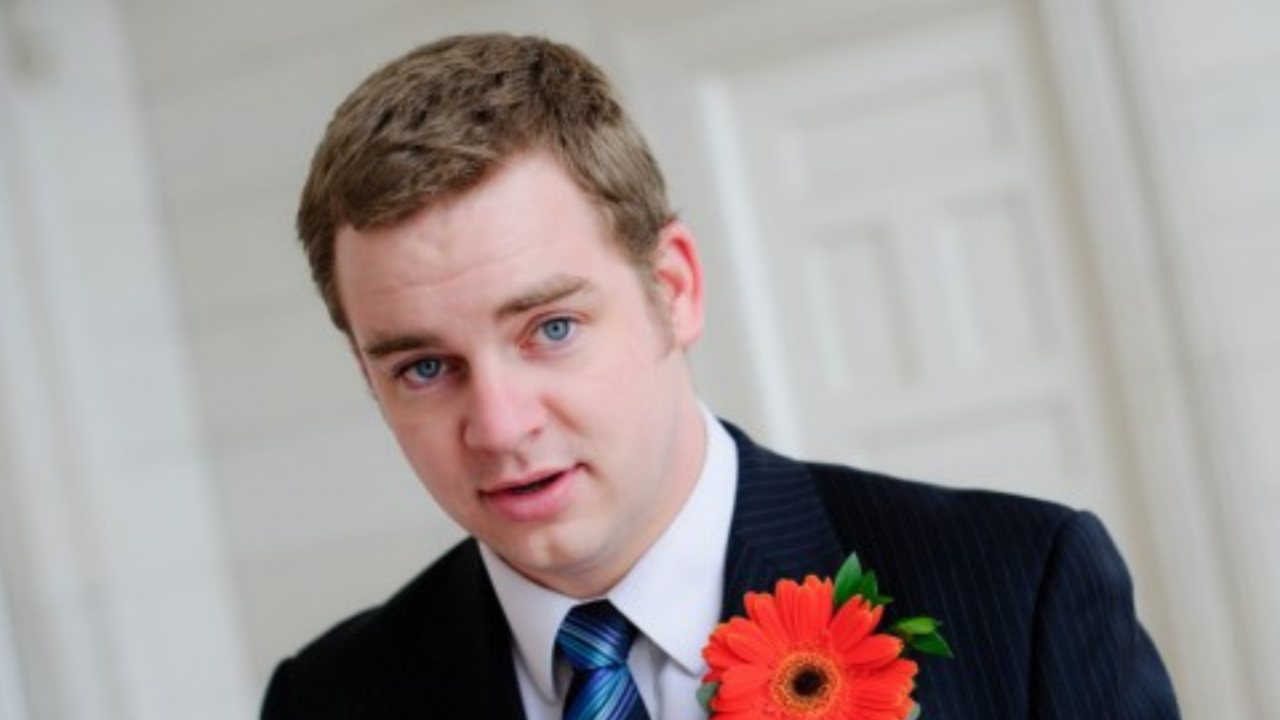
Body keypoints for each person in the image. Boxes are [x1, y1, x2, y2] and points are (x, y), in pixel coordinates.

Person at [261, 33, 1180, 720]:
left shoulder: (1022, 591)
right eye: (425, 367)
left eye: (550, 327)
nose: (499, 426)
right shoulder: (329, 699)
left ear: (674, 289)